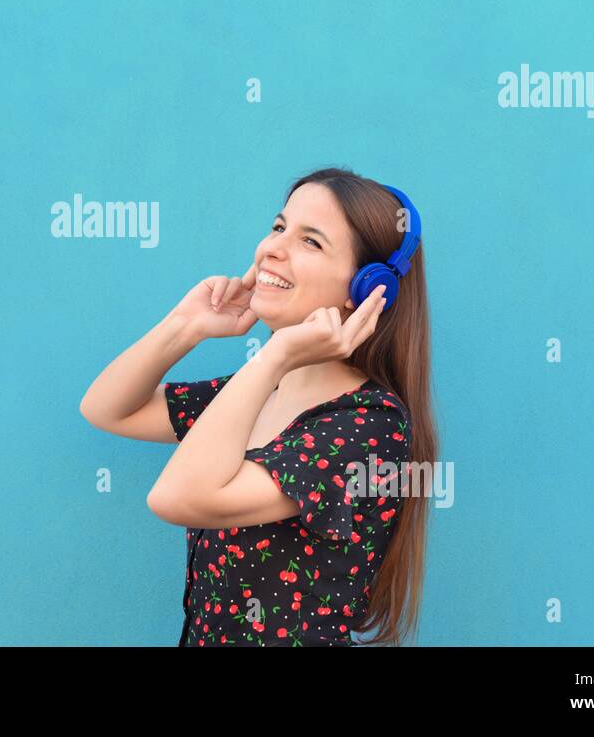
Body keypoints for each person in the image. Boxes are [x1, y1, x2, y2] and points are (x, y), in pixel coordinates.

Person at [80, 166, 438, 646]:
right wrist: (187, 325)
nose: (273, 248)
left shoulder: (369, 426)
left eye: (311, 241)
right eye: (278, 227)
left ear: (368, 289)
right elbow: (107, 408)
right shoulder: (259, 391)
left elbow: (175, 497)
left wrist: (276, 354)